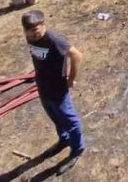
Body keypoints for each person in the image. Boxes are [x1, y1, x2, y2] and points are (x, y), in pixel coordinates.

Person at [21, 10, 85, 175]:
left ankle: (77, 149)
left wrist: (71, 78)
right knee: (54, 116)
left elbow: (77, 55)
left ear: (44, 25)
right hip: (43, 86)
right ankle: (63, 140)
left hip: (58, 88)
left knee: (70, 120)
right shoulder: (30, 37)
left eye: (37, 30)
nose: (33, 35)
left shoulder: (54, 40)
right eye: (29, 31)